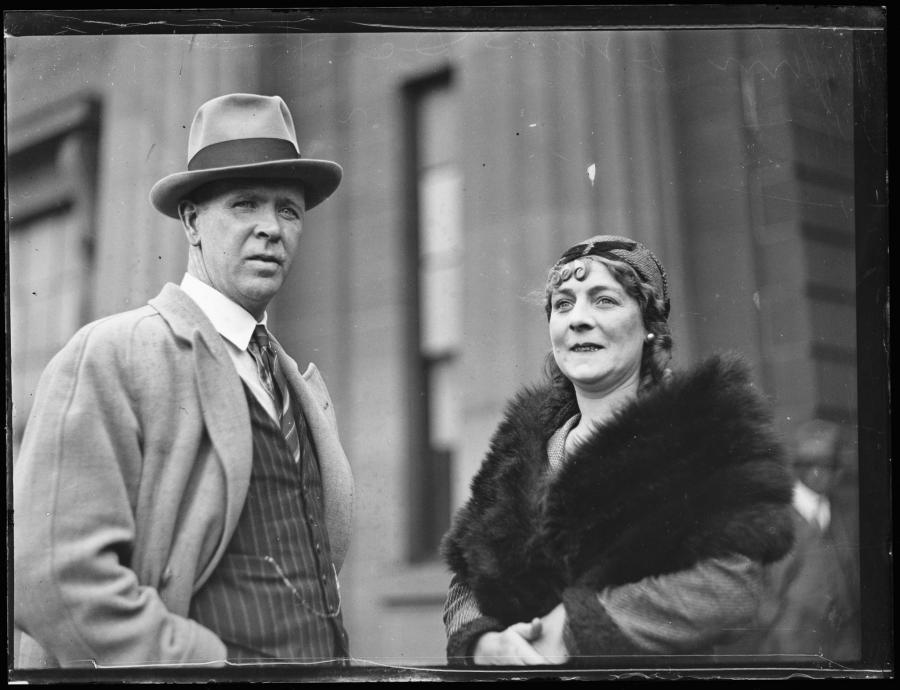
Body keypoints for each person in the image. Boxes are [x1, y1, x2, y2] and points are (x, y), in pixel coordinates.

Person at [13, 93, 354, 668]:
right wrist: (194, 663)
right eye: (245, 204)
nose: (271, 228)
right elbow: (52, 574)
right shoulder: (115, 352)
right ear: (193, 221)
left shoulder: (292, 382)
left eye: (288, 210)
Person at [441, 235, 796, 665]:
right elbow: (467, 578)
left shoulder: (697, 434)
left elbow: (730, 585)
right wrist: (483, 643)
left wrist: (574, 630)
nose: (578, 320)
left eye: (604, 301)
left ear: (648, 325)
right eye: (564, 304)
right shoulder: (521, 448)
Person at [715, 419, 861, 660]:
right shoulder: (773, 516)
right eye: (812, 463)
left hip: (845, 642)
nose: (820, 472)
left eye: (830, 464)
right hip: (792, 647)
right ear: (796, 466)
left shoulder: (844, 512)